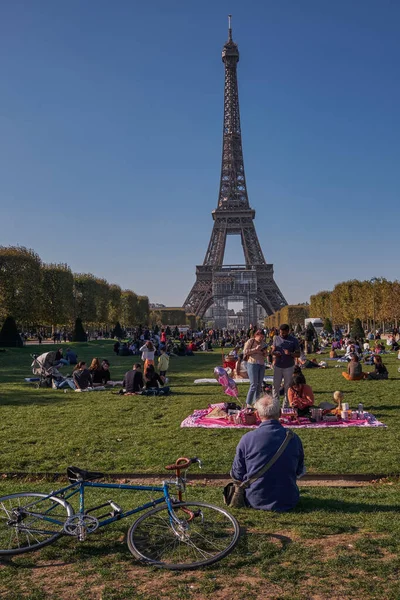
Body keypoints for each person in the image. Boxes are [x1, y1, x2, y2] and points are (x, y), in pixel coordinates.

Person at [231, 395, 305, 511]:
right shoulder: (293, 438)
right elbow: (299, 471)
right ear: (280, 414)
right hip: (288, 499)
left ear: (257, 415)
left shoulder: (247, 439)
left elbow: (237, 474)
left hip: (255, 499)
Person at [272, 324, 300, 404]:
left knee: (287, 387)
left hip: (289, 366)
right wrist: (274, 353)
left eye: (283, 333)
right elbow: (272, 351)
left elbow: (298, 354)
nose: (282, 335)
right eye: (280, 333)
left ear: (288, 331)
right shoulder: (276, 338)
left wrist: (290, 353)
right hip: (278, 365)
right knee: (275, 386)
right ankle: (275, 404)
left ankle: (286, 405)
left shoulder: (294, 340)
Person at [243, 330, 267, 407]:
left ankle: (257, 402)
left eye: (263, 337)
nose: (261, 339)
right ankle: (248, 403)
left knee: (259, 384)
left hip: (261, 364)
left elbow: (265, 354)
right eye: (260, 337)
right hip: (252, 364)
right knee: (253, 384)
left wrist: (265, 353)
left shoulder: (263, 343)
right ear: (256, 335)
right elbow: (245, 352)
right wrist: (255, 349)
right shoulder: (251, 341)